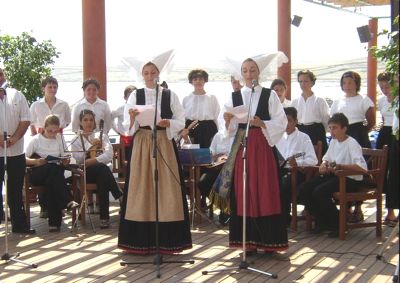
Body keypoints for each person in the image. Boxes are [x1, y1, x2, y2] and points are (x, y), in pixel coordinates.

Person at [212, 57, 288, 253]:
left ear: (259, 72)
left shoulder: (269, 95)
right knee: (244, 191)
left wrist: (262, 123)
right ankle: (247, 242)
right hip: (242, 146)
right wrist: (228, 121)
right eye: (245, 70)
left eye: (252, 70)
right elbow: (224, 127)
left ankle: (269, 242)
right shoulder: (234, 97)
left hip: (262, 146)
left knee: (265, 190)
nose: (248, 74)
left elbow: (282, 122)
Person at [118, 59, 192, 255]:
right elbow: (127, 124)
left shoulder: (169, 94)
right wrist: (133, 117)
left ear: (159, 73)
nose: (149, 76)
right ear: (142, 75)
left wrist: (170, 123)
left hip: (163, 141)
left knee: (166, 187)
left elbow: (181, 119)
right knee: (141, 186)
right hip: (143, 142)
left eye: (153, 72)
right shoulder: (136, 94)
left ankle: (168, 240)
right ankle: (140, 240)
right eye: (146, 73)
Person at [298, 113, 368, 238]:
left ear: (344, 128)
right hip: (334, 176)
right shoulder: (334, 142)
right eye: (330, 128)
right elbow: (327, 158)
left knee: (320, 192)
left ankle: (338, 224)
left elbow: (362, 168)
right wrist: (324, 164)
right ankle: (322, 220)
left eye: (335, 128)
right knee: (304, 189)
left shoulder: (352, 143)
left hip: (349, 179)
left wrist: (341, 166)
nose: (331, 131)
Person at [330, 71, 375, 223]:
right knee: (342, 170)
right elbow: (333, 120)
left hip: (358, 134)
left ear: (357, 83)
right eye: (345, 83)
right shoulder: (338, 101)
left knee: (356, 171)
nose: (347, 86)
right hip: (341, 135)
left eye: (350, 82)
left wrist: (360, 133)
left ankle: (358, 207)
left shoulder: (363, 99)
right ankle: (345, 208)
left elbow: (371, 120)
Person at [25, 115, 78, 232]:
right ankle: (67, 199)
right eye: (50, 131)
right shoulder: (36, 140)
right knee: (53, 169)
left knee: (52, 180)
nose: (53, 134)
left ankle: (54, 224)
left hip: (53, 175)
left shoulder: (59, 138)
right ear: (44, 128)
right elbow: (23, 158)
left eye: (55, 131)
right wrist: (35, 161)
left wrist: (65, 160)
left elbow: (66, 155)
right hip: (37, 173)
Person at [70, 109, 123, 229]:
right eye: (85, 120)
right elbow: (78, 159)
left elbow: (109, 155)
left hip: (100, 171)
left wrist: (94, 160)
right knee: (103, 170)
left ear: (94, 122)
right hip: (85, 172)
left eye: (91, 120)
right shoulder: (76, 139)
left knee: (102, 174)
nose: (88, 122)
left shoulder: (102, 136)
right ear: (80, 122)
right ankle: (118, 197)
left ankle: (104, 219)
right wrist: (90, 146)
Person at [29, 76, 71, 219]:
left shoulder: (63, 105)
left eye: (55, 87)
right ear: (43, 88)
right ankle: (65, 201)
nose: (53, 90)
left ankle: (53, 211)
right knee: (50, 169)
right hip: (41, 137)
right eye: (49, 87)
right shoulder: (36, 105)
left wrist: (55, 134)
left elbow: (66, 123)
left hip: (56, 137)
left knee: (54, 170)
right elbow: (31, 124)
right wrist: (39, 138)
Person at [0, 86, 35, 234]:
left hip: (16, 152)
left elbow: (26, 119)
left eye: (1, 74)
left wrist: (14, 138)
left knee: (15, 190)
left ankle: (19, 225)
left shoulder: (17, 95)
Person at [276, 107, 318, 226]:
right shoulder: (278, 137)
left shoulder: (303, 137)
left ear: (295, 121)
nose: (286, 124)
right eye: (283, 120)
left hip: (298, 172)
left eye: (289, 120)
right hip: (281, 170)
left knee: (282, 184)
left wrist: (298, 163)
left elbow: (313, 160)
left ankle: (284, 218)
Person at [197, 130, 234, 224]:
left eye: (230, 119)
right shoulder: (218, 135)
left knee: (225, 182)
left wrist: (227, 157)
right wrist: (216, 156)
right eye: (225, 119)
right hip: (217, 167)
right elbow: (211, 150)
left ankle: (226, 212)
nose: (227, 122)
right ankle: (221, 205)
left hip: (232, 168)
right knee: (203, 182)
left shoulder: (238, 134)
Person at [377, 72, 398, 226]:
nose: (385, 89)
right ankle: (389, 210)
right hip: (385, 133)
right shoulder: (381, 101)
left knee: (395, 173)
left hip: (396, 134)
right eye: (381, 86)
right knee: (383, 173)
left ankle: (394, 209)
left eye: (387, 86)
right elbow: (383, 120)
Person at [291, 70, 330, 155]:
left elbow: (326, 119)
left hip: (316, 131)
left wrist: (322, 132)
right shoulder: (295, 101)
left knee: (318, 157)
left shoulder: (320, 100)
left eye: (306, 81)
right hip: (300, 130)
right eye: (300, 81)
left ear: (312, 83)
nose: (303, 84)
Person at [181, 69, 220, 148]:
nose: (198, 81)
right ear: (191, 81)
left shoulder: (212, 98)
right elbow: (182, 117)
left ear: (205, 80)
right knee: (192, 154)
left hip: (208, 128)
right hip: (192, 127)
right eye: (195, 79)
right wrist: (183, 130)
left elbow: (217, 116)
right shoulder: (187, 98)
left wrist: (219, 133)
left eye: (201, 79)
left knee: (209, 153)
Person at [111, 85, 136, 162]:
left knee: (135, 161)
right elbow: (111, 118)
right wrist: (117, 130)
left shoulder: (139, 108)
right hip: (124, 138)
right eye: (129, 96)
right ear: (125, 97)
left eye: (134, 96)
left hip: (136, 138)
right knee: (123, 161)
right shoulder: (121, 109)